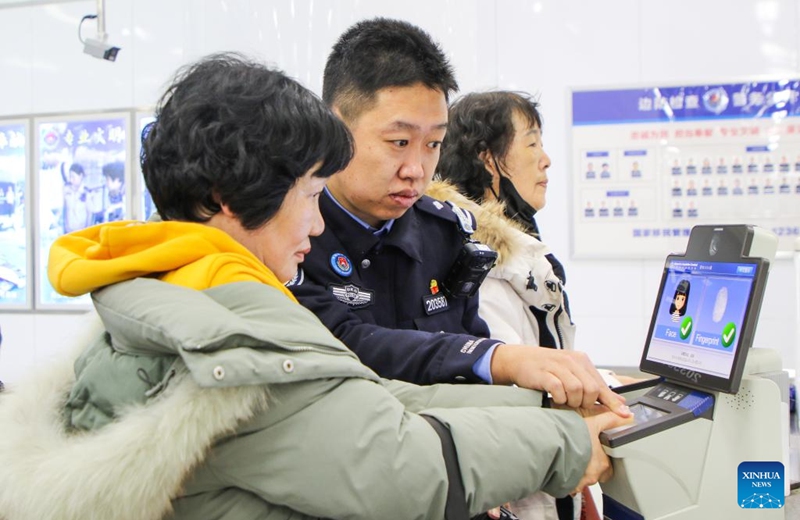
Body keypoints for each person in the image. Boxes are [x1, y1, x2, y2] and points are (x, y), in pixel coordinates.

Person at [0, 53, 630, 520]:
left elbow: (368, 400)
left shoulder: (166, 294)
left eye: (433, 144)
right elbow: (399, 462)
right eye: (307, 194)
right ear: (225, 197)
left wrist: (542, 409)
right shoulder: (230, 341)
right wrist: (568, 444)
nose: (318, 220)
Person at [289, 18, 628, 417]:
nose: (416, 168)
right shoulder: (290, 234)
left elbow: (471, 382)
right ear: (335, 127)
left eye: (433, 143)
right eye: (399, 142)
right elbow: (344, 343)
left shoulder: (446, 234)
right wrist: (496, 358)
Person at [433, 90, 630, 520]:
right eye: (532, 142)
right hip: (525, 485)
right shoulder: (481, 267)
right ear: (488, 159)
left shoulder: (515, 258)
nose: (546, 160)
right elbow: (509, 389)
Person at [60, 162, 90, 233]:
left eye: (73, 177)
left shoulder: (87, 193)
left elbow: (90, 214)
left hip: (82, 232)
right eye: (70, 177)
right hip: (68, 232)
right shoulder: (66, 190)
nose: (71, 180)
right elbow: (64, 209)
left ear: (81, 176)